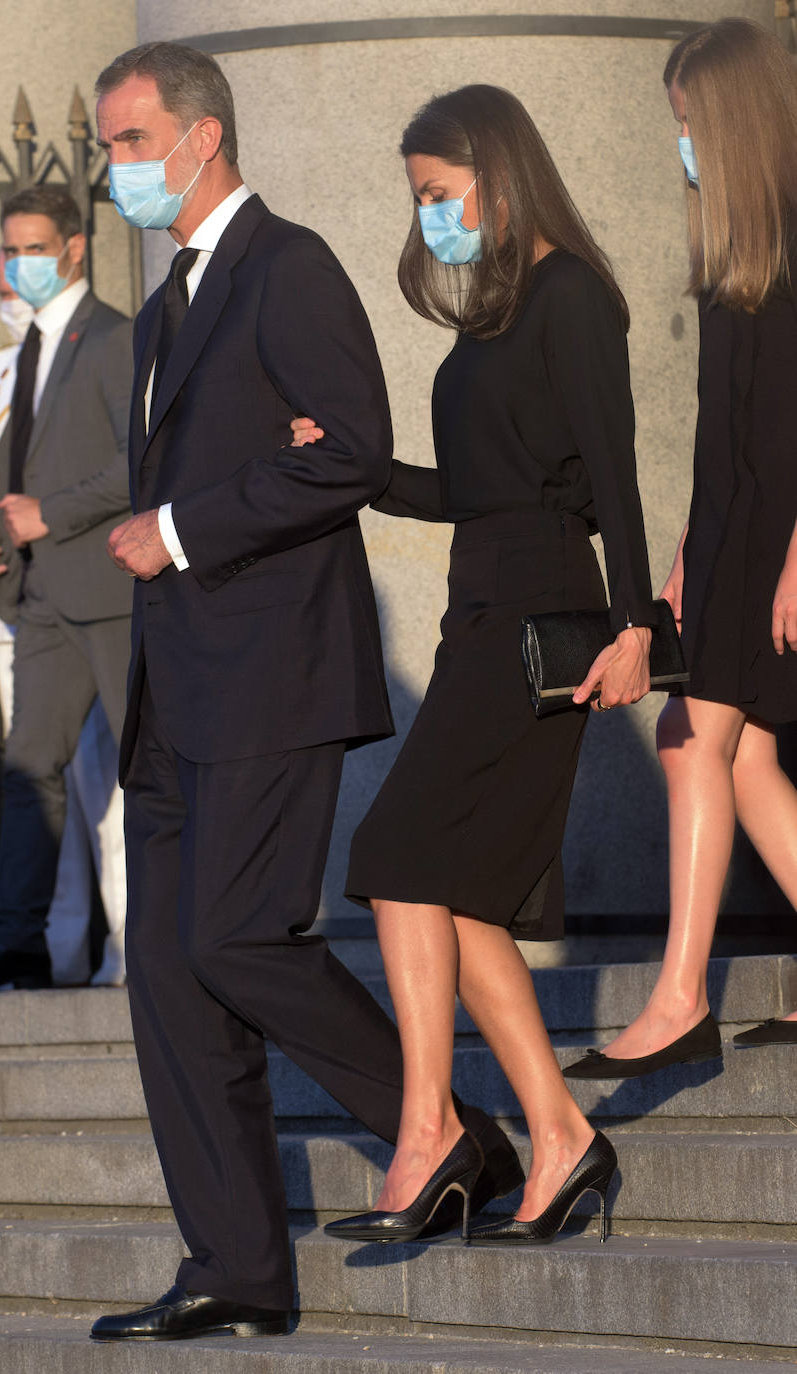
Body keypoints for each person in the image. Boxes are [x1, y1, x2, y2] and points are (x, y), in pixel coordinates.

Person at [89, 43, 521, 1344]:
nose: (115, 169)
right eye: (107, 144)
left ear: (202, 137)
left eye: (127, 141)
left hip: (272, 674)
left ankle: (447, 1127)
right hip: (175, 691)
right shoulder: (170, 302)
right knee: (165, 971)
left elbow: (340, 452)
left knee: (232, 937)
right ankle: (233, 1264)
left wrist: (181, 524)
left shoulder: (289, 268)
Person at [295, 84, 654, 1245]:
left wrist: (641, 625)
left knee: (395, 856)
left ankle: (429, 1129)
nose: (429, 218)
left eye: (438, 195)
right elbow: (476, 495)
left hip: (544, 620)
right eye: (418, 200)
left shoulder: (573, 299)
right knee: (461, 901)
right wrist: (356, 471)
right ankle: (557, 1137)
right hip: (481, 614)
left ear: (498, 176)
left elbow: (615, 475)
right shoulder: (496, 317)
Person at [564, 18, 797, 1080]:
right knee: (736, 752)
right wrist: (690, 558)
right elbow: (722, 435)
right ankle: (679, 996)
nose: (683, 144)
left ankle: (678, 997)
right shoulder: (733, 258)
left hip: (786, 537)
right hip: (739, 537)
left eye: (693, 123)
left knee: (687, 736)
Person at [0, 186, 134, 992]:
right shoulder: (24, 353)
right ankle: (18, 941)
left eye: (34, 247)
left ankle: (165, 937)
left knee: (147, 771)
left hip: (113, 592)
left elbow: (142, 463)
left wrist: (46, 517)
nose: (20, 263)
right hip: (40, 598)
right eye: (10, 249)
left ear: (74, 249)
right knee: (30, 769)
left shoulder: (114, 341)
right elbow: (16, 465)